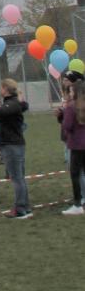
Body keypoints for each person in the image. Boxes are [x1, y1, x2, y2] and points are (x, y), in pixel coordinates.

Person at [0, 79, 31, 219]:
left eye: (2, 87)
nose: (0, 89)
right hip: (13, 144)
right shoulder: (12, 103)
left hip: (12, 145)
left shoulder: (12, 103)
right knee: (19, 178)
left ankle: (20, 209)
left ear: (6, 89)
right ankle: (25, 207)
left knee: (17, 178)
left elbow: (0, 112)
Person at [64, 81, 85, 215]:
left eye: (71, 91)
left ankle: (77, 204)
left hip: (77, 145)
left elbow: (67, 126)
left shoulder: (71, 107)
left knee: (75, 174)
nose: (70, 93)